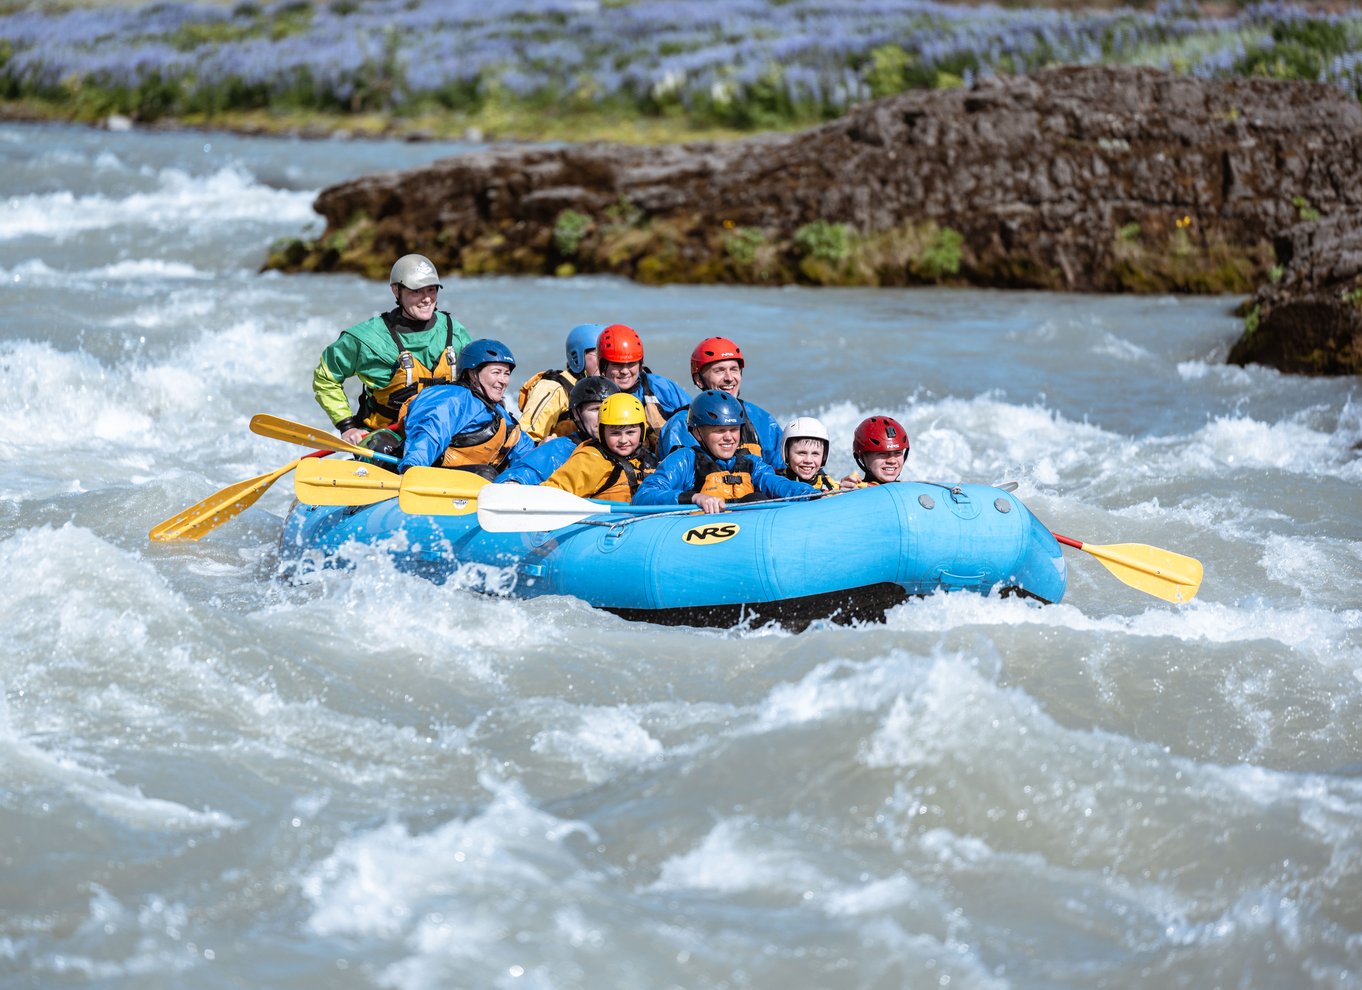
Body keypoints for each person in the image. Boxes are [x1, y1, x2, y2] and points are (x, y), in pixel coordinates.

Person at [313, 253, 472, 445]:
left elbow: (476, 381)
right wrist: (347, 426)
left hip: (443, 430)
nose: (427, 299)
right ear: (396, 291)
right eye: (417, 292)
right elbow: (326, 377)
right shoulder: (367, 338)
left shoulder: (455, 331)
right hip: (386, 437)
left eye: (432, 290)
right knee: (385, 448)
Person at [633, 389, 818, 513]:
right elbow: (643, 496)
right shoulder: (684, 460)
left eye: (734, 430)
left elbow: (778, 484)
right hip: (699, 536)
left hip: (743, 535)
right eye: (719, 431)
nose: (729, 438)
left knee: (757, 498)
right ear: (697, 432)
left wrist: (811, 494)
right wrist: (694, 498)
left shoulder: (751, 464)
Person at [397, 338, 535, 478]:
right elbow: (430, 433)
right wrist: (411, 468)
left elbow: (523, 448)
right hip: (431, 473)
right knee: (486, 474)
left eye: (506, 374)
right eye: (496, 372)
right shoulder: (452, 398)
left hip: (466, 480)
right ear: (473, 373)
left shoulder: (498, 412)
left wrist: (541, 448)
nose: (503, 380)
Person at [656, 336, 785, 468]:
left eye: (734, 369)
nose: (729, 378)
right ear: (699, 380)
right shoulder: (679, 426)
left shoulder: (762, 419)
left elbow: (782, 471)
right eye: (719, 371)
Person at [496, 375, 619, 485]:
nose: (604, 415)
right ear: (576, 414)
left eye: (609, 408)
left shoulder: (631, 443)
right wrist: (514, 482)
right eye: (595, 409)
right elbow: (524, 473)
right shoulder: (561, 449)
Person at [542, 393, 659, 502]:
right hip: (605, 521)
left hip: (641, 520)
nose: (623, 440)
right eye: (615, 433)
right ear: (602, 433)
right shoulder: (589, 460)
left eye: (630, 432)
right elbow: (549, 495)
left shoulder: (647, 458)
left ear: (642, 432)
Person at [594, 324, 689, 446]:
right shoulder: (592, 395)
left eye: (631, 364)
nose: (625, 371)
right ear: (603, 365)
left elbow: (695, 415)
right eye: (617, 365)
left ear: (640, 364)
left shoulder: (659, 387)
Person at [517, 323, 606, 443]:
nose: (605, 360)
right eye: (598, 354)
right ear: (577, 356)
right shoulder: (551, 388)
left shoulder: (603, 387)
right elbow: (524, 439)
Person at [840, 415, 909, 489]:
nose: (892, 461)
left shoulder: (910, 490)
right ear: (862, 457)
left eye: (898, 453)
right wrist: (843, 496)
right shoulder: (853, 491)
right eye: (882, 453)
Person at [776, 417, 839, 492]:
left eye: (815, 453)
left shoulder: (831, 486)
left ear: (823, 457)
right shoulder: (774, 484)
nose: (808, 460)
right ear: (786, 454)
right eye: (801, 453)